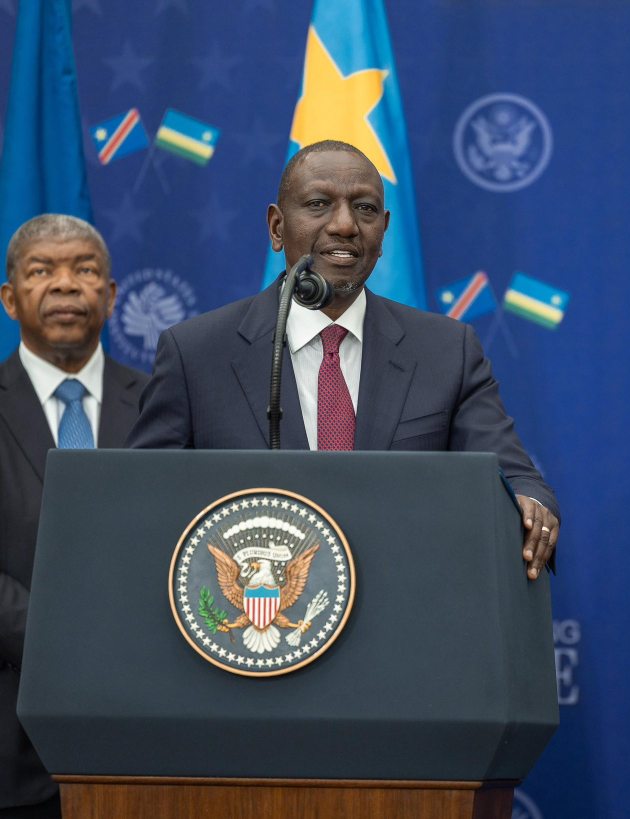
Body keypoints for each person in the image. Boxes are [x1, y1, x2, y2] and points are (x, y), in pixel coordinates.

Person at [127, 139, 559, 578]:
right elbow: (140, 498)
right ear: (276, 227)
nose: (345, 225)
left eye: (365, 209)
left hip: (402, 601)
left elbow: (515, 477)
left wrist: (529, 503)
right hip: (255, 606)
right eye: (318, 204)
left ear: (383, 231)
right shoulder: (196, 353)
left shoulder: (447, 350)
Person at [0, 214, 148, 818]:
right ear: (10, 299)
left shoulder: (166, 404)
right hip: (10, 742)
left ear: (110, 296)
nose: (65, 284)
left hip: (147, 728)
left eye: (84, 270)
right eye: (42, 271)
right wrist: (67, 634)